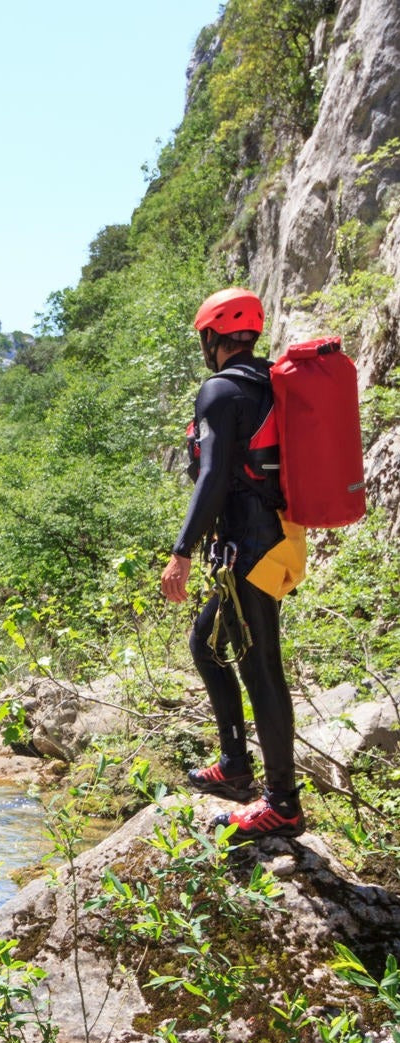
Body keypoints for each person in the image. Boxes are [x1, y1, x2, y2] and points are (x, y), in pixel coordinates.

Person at [160, 286, 305, 841]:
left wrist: (182, 552)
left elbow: (216, 476)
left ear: (213, 337)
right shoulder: (267, 383)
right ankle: (236, 765)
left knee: (261, 668)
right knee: (206, 643)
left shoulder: (221, 390)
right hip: (270, 538)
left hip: (249, 545)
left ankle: (282, 804)